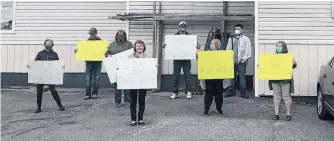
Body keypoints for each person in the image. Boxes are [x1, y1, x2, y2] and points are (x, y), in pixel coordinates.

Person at [164, 21, 200, 99]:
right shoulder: (174, 37)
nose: (182, 28)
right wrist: (166, 46)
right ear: (179, 27)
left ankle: (188, 92)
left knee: (188, 76)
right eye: (181, 27)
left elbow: (196, 45)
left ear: (186, 28)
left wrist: (197, 46)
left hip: (186, 59)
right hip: (177, 59)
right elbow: (169, 46)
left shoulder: (190, 37)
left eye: (184, 27)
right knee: (175, 76)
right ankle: (174, 92)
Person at [27, 39, 65, 113]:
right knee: (39, 90)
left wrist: (61, 67)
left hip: (50, 75)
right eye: (47, 44)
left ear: (52, 45)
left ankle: (60, 105)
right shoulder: (40, 53)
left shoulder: (54, 54)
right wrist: (30, 66)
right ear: (44, 45)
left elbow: (57, 64)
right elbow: (35, 63)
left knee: (53, 90)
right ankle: (38, 107)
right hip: (41, 75)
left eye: (50, 44)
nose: (48, 46)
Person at [269, 41, 297, 121]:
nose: (278, 47)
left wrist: (293, 63)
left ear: (284, 47)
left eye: (280, 46)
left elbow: (294, 65)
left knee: (286, 96)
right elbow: (268, 65)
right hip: (275, 80)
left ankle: (288, 114)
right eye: (277, 46)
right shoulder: (273, 57)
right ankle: (276, 114)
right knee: (276, 97)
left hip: (285, 80)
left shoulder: (288, 57)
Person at [105, 30, 133, 108]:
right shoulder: (112, 44)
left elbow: (133, 53)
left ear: (124, 36)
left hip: (126, 67)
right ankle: (117, 101)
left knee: (126, 85)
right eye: (119, 35)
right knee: (116, 86)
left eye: (122, 35)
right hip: (115, 68)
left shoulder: (129, 44)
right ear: (116, 36)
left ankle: (127, 101)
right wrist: (107, 55)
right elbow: (107, 52)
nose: (120, 36)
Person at [74, 27, 103, 100]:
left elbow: (103, 50)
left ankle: (95, 94)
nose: (91, 35)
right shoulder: (87, 42)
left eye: (92, 33)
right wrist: (77, 50)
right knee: (88, 79)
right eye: (90, 33)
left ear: (96, 33)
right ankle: (87, 94)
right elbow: (83, 50)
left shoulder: (100, 42)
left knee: (97, 79)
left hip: (97, 63)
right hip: (89, 63)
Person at [225, 24, 252, 98]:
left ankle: (243, 92)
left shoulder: (246, 39)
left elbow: (248, 50)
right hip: (232, 61)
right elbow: (228, 48)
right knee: (232, 77)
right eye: (236, 29)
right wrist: (228, 57)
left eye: (238, 29)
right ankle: (231, 91)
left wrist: (244, 59)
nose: (237, 30)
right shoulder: (231, 38)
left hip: (241, 61)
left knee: (242, 77)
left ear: (242, 30)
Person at [127, 40, 149, 126]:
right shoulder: (130, 57)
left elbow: (149, 69)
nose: (139, 47)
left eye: (141, 45)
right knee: (133, 100)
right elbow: (127, 68)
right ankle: (133, 119)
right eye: (137, 46)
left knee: (142, 100)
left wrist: (154, 66)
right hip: (133, 81)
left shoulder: (148, 58)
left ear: (144, 47)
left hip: (143, 81)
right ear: (135, 47)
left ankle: (140, 119)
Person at [203, 39, 224, 116]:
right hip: (209, 76)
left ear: (217, 45)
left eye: (213, 44)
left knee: (219, 94)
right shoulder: (207, 53)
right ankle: (206, 109)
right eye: (211, 44)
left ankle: (219, 109)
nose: (211, 45)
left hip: (219, 76)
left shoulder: (222, 53)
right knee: (209, 93)